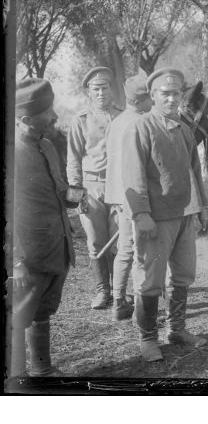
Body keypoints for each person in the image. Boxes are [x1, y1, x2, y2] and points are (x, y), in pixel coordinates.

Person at [122, 68, 208, 362]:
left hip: (185, 214)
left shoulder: (185, 130)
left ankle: (177, 329)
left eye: (176, 94)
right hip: (155, 219)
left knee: (183, 275)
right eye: (165, 94)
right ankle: (147, 339)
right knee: (150, 279)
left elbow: (195, 173)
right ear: (154, 96)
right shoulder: (142, 127)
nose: (172, 99)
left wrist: (203, 209)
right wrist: (141, 213)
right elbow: (133, 175)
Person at [9, 78, 76, 377]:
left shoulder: (47, 145)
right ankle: (15, 377)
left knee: (44, 309)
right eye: (47, 112)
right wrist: (16, 262)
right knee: (19, 315)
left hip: (56, 246)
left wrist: (78, 197)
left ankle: (41, 369)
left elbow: (60, 188)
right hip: (29, 255)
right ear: (25, 120)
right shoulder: (13, 155)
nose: (55, 116)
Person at [67, 66, 122, 309]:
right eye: (96, 89)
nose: (101, 93)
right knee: (96, 241)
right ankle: (103, 290)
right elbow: (73, 159)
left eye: (105, 87)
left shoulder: (123, 117)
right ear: (89, 92)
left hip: (119, 187)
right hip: (91, 187)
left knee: (121, 241)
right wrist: (76, 193)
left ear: (112, 89)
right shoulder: (80, 121)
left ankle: (121, 290)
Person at [104, 74, 153, 320]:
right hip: (132, 195)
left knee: (125, 249)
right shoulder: (141, 123)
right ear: (143, 99)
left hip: (117, 194)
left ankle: (118, 302)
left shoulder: (118, 120)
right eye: (150, 98)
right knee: (138, 250)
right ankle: (140, 307)